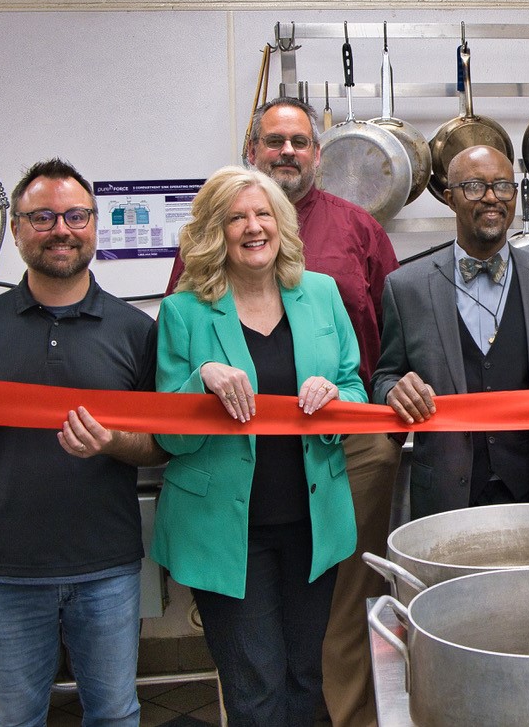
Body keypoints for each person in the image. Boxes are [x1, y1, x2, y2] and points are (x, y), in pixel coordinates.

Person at [165, 96, 399, 727]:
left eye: (263, 214)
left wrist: (337, 397)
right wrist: (200, 380)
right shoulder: (184, 309)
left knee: (304, 681)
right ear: (217, 230)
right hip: (227, 530)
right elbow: (169, 432)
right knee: (255, 689)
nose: (252, 227)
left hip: (313, 519)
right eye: (236, 217)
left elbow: (356, 384)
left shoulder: (320, 295)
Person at [0, 158, 164, 726]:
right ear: (20, 229)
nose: (61, 229)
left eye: (76, 215)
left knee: (116, 715)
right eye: (43, 217)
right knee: (15, 718)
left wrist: (112, 441)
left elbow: (159, 444)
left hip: (105, 565)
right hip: (4, 567)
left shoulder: (135, 330)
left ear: (94, 225)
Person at [372, 145, 529, 518]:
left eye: (502, 186)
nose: (491, 198)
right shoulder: (406, 287)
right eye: (474, 186)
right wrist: (393, 389)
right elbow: (385, 375)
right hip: (448, 494)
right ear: (449, 198)